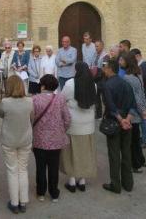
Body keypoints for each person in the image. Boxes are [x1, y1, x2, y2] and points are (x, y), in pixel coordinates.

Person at [32, 74, 71, 202]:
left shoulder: (35, 99)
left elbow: (31, 119)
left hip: (39, 139)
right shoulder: (60, 99)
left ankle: (41, 192)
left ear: (43, 85)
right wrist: (61, 130)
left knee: (40, 166)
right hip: (56, 139)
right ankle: (54, 193)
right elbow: (67, 119)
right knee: (54, 167)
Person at [60, 62, 97, 193]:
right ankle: (82, 180)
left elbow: (62, 99)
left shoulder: (70, 84)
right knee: (84, 153)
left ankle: (71, 181)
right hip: (88, 125)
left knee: (71, 153)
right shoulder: (94, 84)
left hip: (73, 124)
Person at [101, 58, 136, 194]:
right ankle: (128, 183)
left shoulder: (107, 85)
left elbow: (111, 106)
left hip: (114, 124)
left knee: (114, 154)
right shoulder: (125, 83)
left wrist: (121, 120)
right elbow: (133, 104)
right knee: (126, 153)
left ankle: (116, 184)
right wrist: (127, 119)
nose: (103, 69)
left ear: (110, 69)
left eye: (105, 67)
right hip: (127, 123)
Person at [0, 76, 33, 214]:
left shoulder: (5, 102)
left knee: (12, 170)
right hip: (25, 139)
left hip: (9, 140)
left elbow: (1, 115)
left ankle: (14, 202)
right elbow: (32, 117)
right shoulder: (30, 101)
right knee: (23, 169)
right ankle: (23, 201)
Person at [121, 52, 146, 173]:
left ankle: (135, 164)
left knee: (133, 140)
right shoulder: (138, 74)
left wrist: (141, 111)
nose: (120, 62)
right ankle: (141, 160)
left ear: (127, 62)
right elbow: (141, 93)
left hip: (132, 113)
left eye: (122, 60)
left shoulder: (128, 78)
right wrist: (143, 109)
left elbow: (135, 97)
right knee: (136, 137)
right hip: (138, 111)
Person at [133, 48, 146, 148]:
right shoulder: (141, 66)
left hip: (143, 96)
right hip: (142, 95)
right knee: (141, 118)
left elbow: (142, 82)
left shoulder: (143, 66)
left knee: (143, 119)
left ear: (137, 56)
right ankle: (144, 138)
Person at [94, 40, 108, 119]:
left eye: (97, 46)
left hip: (103, 79)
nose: (96, 48)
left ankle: (106, 114)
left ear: (102, 46)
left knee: (105, 98)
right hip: (96, 79)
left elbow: (104, 68)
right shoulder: (95, 54)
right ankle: (98, 114)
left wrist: (96, 71)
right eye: (95, 46)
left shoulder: (105, 56)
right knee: (96, 98)